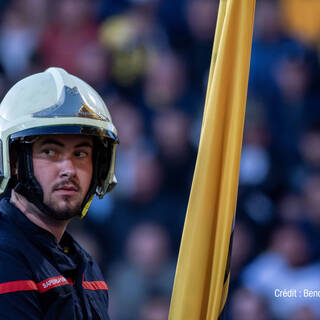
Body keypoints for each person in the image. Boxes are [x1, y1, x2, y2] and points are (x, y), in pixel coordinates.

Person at [0, 67, 119, 319]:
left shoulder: (84, 264)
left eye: (80, 154)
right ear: (14, 162)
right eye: (50, 152)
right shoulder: (5, 258)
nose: (69, 169)